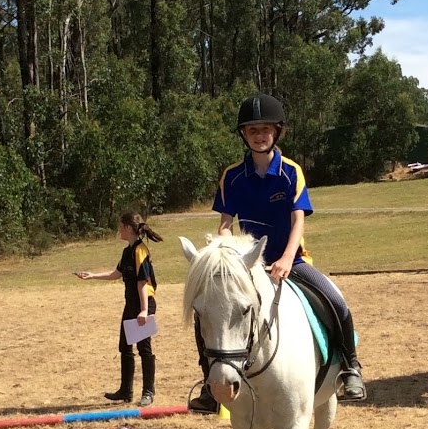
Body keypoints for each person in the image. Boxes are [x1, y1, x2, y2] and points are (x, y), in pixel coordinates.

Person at [189, 92, 366, 412]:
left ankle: (351, 367)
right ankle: (209, 382)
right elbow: (225, 223)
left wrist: (286, 258)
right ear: (244, 134)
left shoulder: (291, 172)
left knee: (336, 301)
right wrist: (226, 251)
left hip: (292, 260)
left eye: (266, 129)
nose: (260, 136)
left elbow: (298, 218)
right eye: (253, 130)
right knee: (212, 312)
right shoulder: (232, 176)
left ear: (277, 132)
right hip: (248, 263)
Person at [76, 212, 160, 406]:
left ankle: (148, 392)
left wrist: (144, 311)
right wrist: (92, 275)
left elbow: (142, 282)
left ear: (129, 228)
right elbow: (117, 273)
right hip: (131, 304)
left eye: (121, 226)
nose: (119, 230)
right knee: (125, 346)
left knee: (144, 348)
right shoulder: (127, 251)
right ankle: (125, 391)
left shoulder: (141, 250)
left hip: (143, 303)